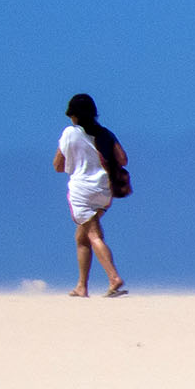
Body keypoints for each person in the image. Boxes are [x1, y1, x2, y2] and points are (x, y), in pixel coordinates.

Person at [53, 93, 129, 297]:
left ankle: (114, 277)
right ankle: (81, 286)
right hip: (104, 190)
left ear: (74, 115)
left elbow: (58, 166)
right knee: (82, 236)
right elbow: (122, 159)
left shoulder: (70, 133)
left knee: (93, 234)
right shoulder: (105, 133)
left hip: (82, 190)